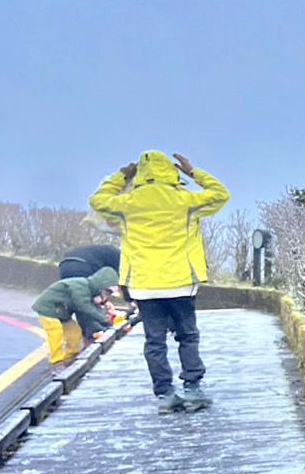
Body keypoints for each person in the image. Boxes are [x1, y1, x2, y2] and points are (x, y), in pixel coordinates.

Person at [89, 150, 230, 413]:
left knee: (154, 340)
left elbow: (97, 200)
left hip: (144, 286)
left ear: (141, 174)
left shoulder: (128, 204)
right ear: (171, 171)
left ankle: (165, 394)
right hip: (180, 282)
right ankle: (193, 389)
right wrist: (193, 172)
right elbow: (221, 194)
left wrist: (121, 176)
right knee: (187, 335)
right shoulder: (185, 200)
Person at [31, 266, 120, 366]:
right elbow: (85, 307)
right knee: (56, 333)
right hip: (48, 309)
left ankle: (69, 358)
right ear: (101, 286)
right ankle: (56, 362)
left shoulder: (90, 292)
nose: (108, 295)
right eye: (108, 291)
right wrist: (106, 322)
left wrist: (103, 327)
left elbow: (89, 316)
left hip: (62, 313)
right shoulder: (80, 287)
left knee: (75, 333)